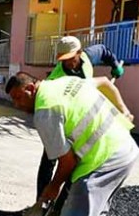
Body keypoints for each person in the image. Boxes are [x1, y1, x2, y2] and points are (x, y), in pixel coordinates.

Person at [4, 72, 139, 216]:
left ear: (29, 90)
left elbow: (67, 162)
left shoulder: (45, 111)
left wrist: (53, 188)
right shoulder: (67, 82)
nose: (16, 105)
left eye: (17, 98)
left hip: (101, 161)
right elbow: (105, 82)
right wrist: (123, 109)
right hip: (125, 150)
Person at [34, 36, 123, 201]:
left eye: (70, 58)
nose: (67, 63)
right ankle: (41, 199)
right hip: (61, 121)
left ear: (80, 53)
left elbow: (104, 50)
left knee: (77, 162)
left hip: (82, 122)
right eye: (63, 60)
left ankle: (65, 202)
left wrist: (115, 64)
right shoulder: (56, 77)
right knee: (50, 158)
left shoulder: (88, 56)